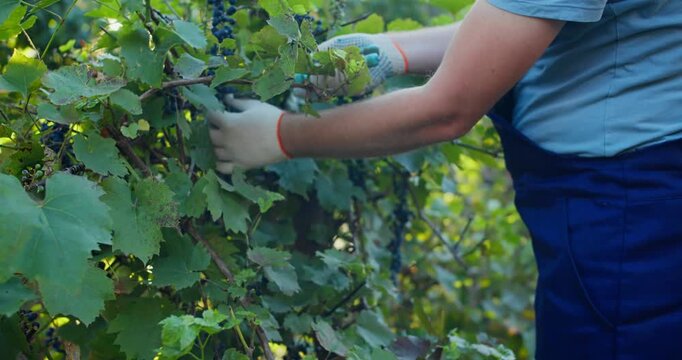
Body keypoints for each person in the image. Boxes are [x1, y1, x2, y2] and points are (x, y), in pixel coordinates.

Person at [207, 0, 682, 358]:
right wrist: (391, 50)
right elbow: (526, 18)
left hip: (627, 221)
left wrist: (283, 136)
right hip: (635, 204)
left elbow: (446, 111)